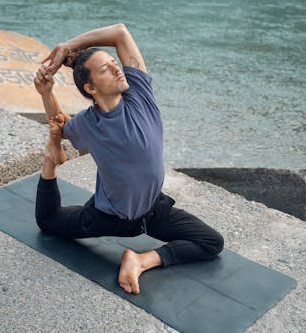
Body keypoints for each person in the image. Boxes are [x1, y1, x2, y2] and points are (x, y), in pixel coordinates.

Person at [34, 23, 223, 295]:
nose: (116, 68)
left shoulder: (139, 95)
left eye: (114, 63)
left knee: (211, 242)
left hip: (153, 210)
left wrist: (68, 46)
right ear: (91, 88)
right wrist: (46, 93)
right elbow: (59, 127)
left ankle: (140, 260)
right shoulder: (89, 122)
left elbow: (120, 32)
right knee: (48, 222)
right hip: (109, 217)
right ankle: (49, 161)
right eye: (105, 69)